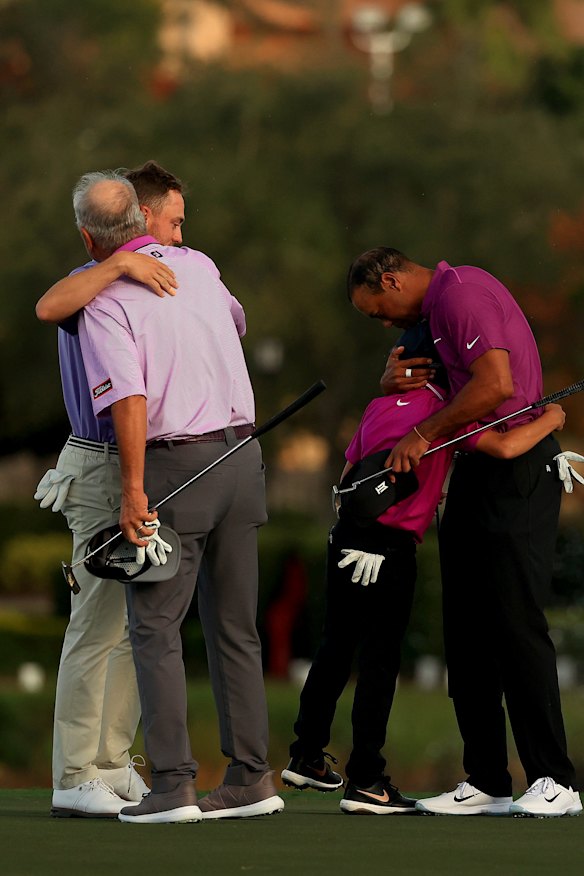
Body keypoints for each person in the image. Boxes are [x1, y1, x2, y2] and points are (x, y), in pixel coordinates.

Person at [281, 320, 567, 815]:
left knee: (335, 647)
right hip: (390, 551)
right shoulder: (444, 414)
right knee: (379, 663)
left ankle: (305, 754)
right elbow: (504, 446)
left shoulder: (375, 407)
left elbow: (351, 472)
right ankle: (367, 779)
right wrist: (553, 419)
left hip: (345, 541)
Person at [73, 170, 284, 824]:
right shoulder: (199, 264)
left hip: (177, 468)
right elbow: (234, 325)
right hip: (243, 459)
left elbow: (129, 398)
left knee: (156, 631)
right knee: (235, 631)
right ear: (148, 217)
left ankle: (172, 786)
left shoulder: (104, 301)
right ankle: (251, 778)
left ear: (93, 236)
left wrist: (133, 490)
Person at [347, 247, 581, 818]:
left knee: (515, 624)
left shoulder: (462, 295)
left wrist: (423, 434)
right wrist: (388, 377)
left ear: (393, 279)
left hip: (519, 472)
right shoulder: (430, 317)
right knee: (468, 629)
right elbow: (412, 387)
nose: (382, 322)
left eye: (377, 309)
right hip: (476, 472)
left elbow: (495, 386)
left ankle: (554, 779)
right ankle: (487, 780)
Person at [34, 162, 185, 818]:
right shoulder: (90, 283)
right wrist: (121, 268)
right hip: (99, 467)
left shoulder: (151, 273)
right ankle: (74, 774)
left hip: (144, 464)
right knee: (96, 623)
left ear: (87, 234)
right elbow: (49, 307)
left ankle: (112, 761)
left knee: (132, 626)